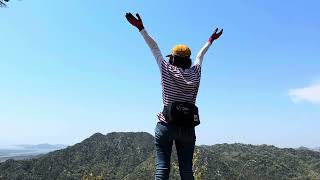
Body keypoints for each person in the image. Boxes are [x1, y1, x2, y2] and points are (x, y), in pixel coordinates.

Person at [125, 12, 223, 180]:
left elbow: (154, 47)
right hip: (187, 128)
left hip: (166, 125)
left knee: (162, 169)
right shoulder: (196, 73)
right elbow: (200, 56)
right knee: (186, 171)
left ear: (173, 59)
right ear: (188, 61)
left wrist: (141, 28)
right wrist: (210, 40)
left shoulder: (166, 69)